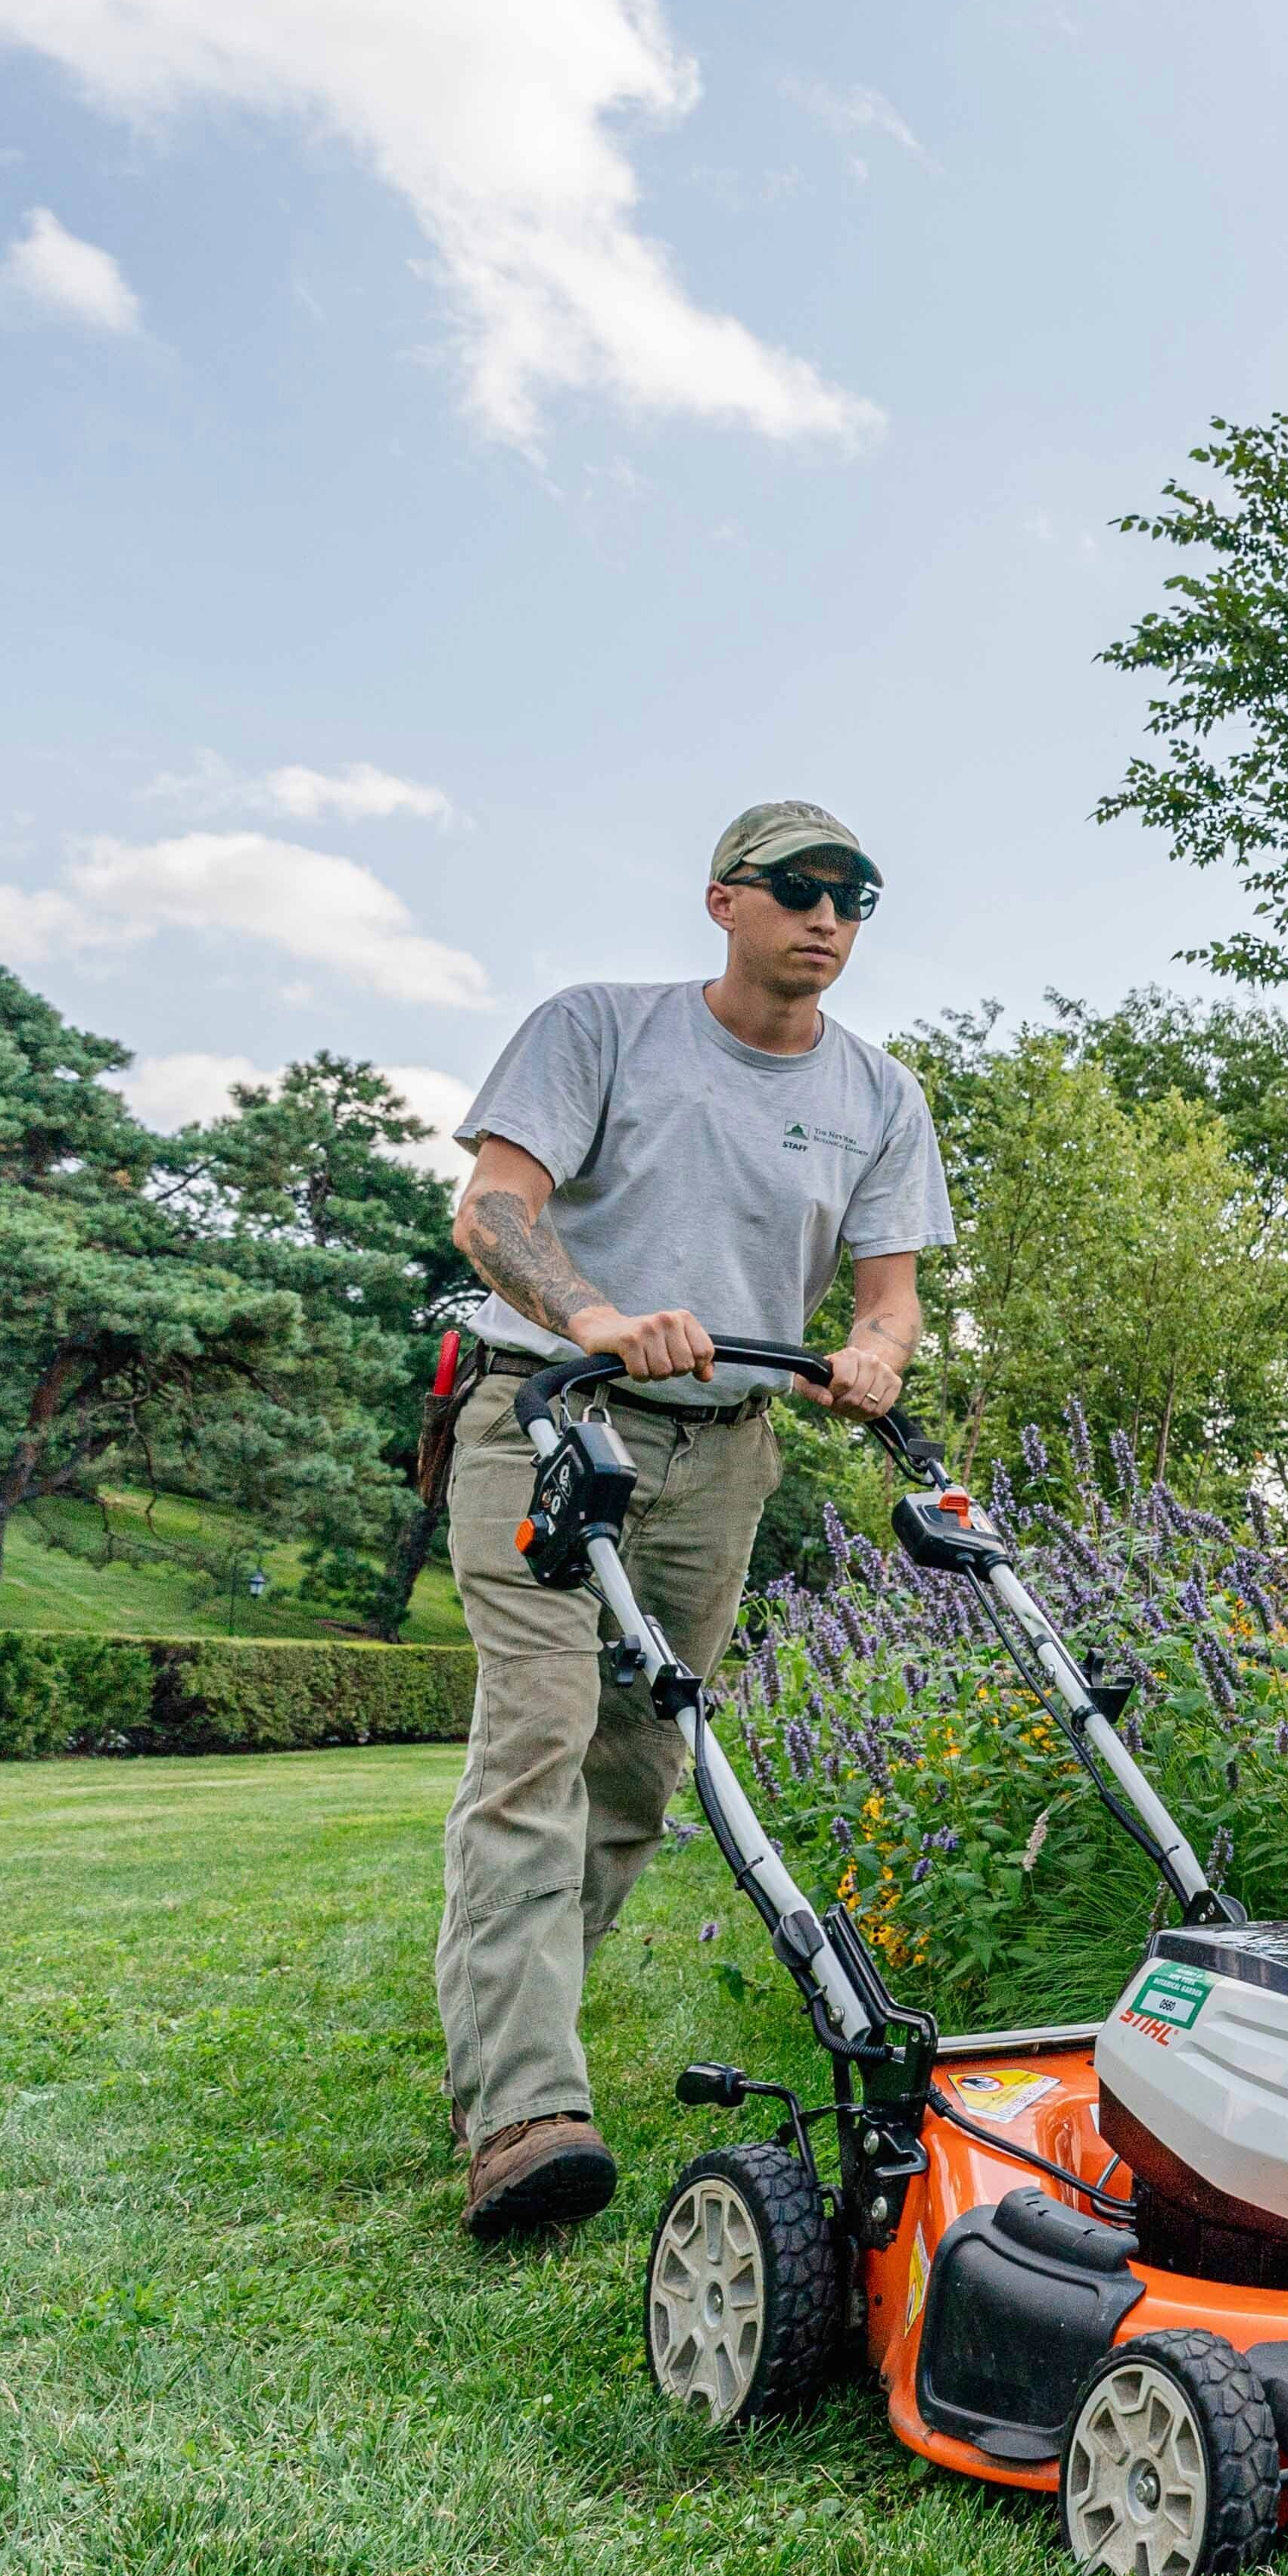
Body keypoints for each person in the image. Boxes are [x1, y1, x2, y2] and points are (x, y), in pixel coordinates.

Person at [435, 803, 953, 2237]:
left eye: (856, 895)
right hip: (549, 1415)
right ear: (724, 901)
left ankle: (504, 2048)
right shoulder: (601, 1027)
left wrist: (878, 1356)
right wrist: (597, 1316)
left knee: (635, 1772)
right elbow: (493, 1212)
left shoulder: (880, 1096)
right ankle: (528, 2108)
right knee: (536, 1735)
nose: (830, 917)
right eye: (800, 890)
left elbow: (888, 1290)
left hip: (724, 1452)